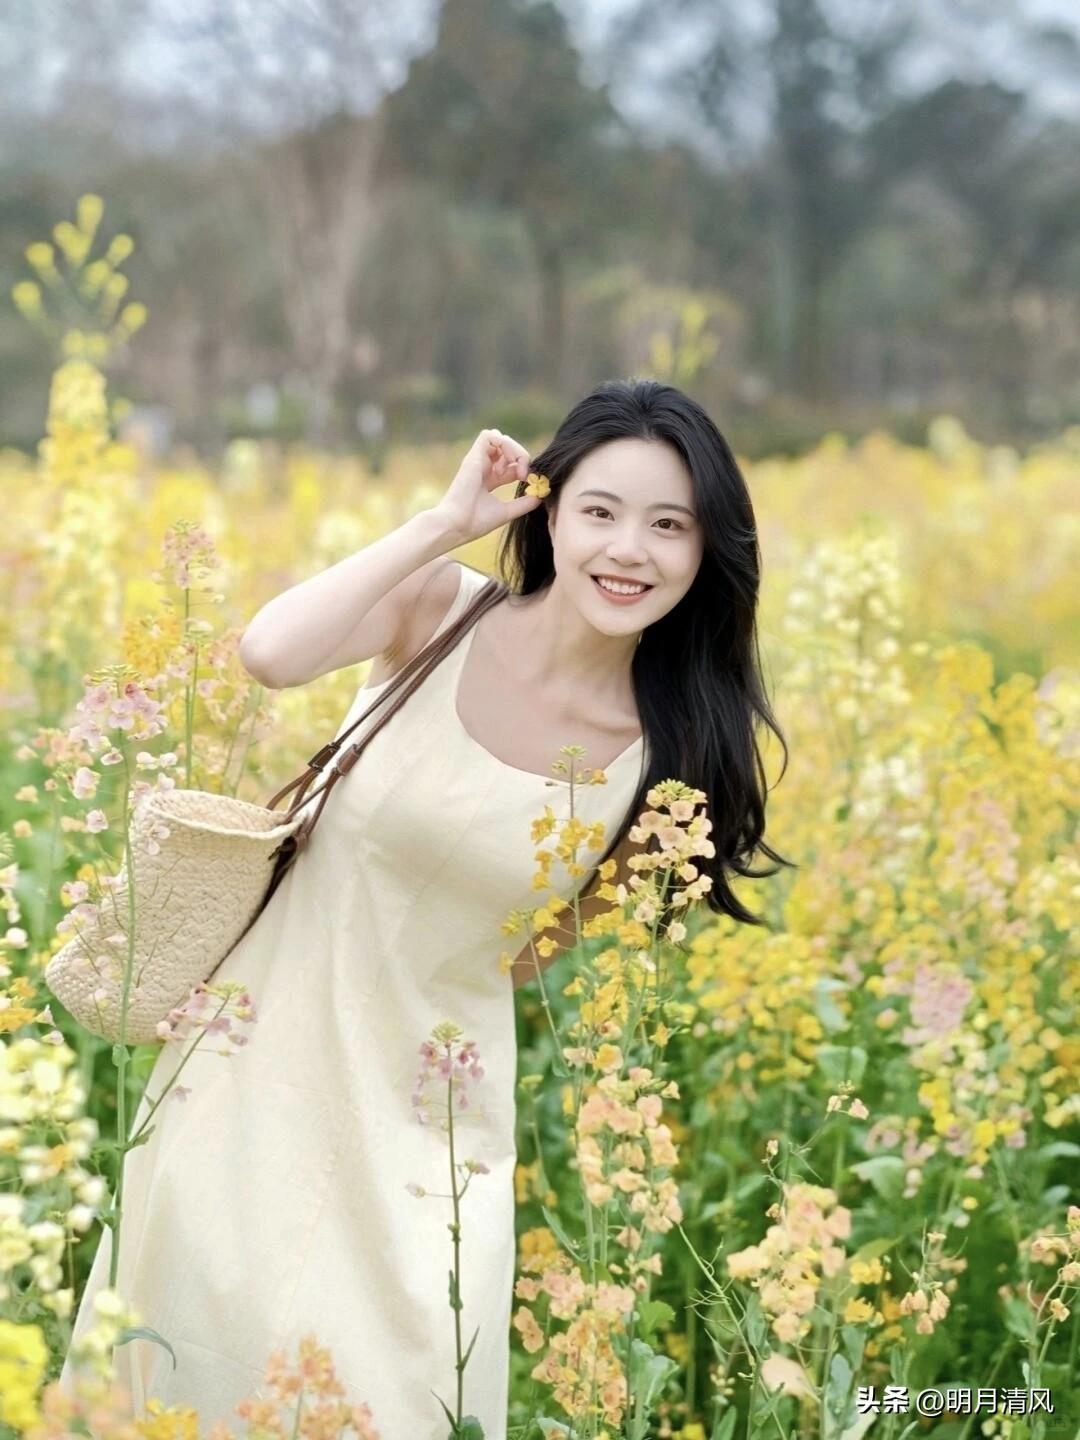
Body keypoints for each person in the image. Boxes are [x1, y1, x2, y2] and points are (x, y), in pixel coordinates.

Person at [58, 377, 791, 1434]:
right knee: (185, 1365)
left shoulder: (672, 757)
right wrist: (446, 523)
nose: (630, 550)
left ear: (707, 548)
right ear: (549, 512)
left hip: (429, 1129)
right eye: (600, 511)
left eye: (670, 526)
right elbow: (269, 654)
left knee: (389, 1395)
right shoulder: (439, 611)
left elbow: (539, 948)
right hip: (248, 1066)